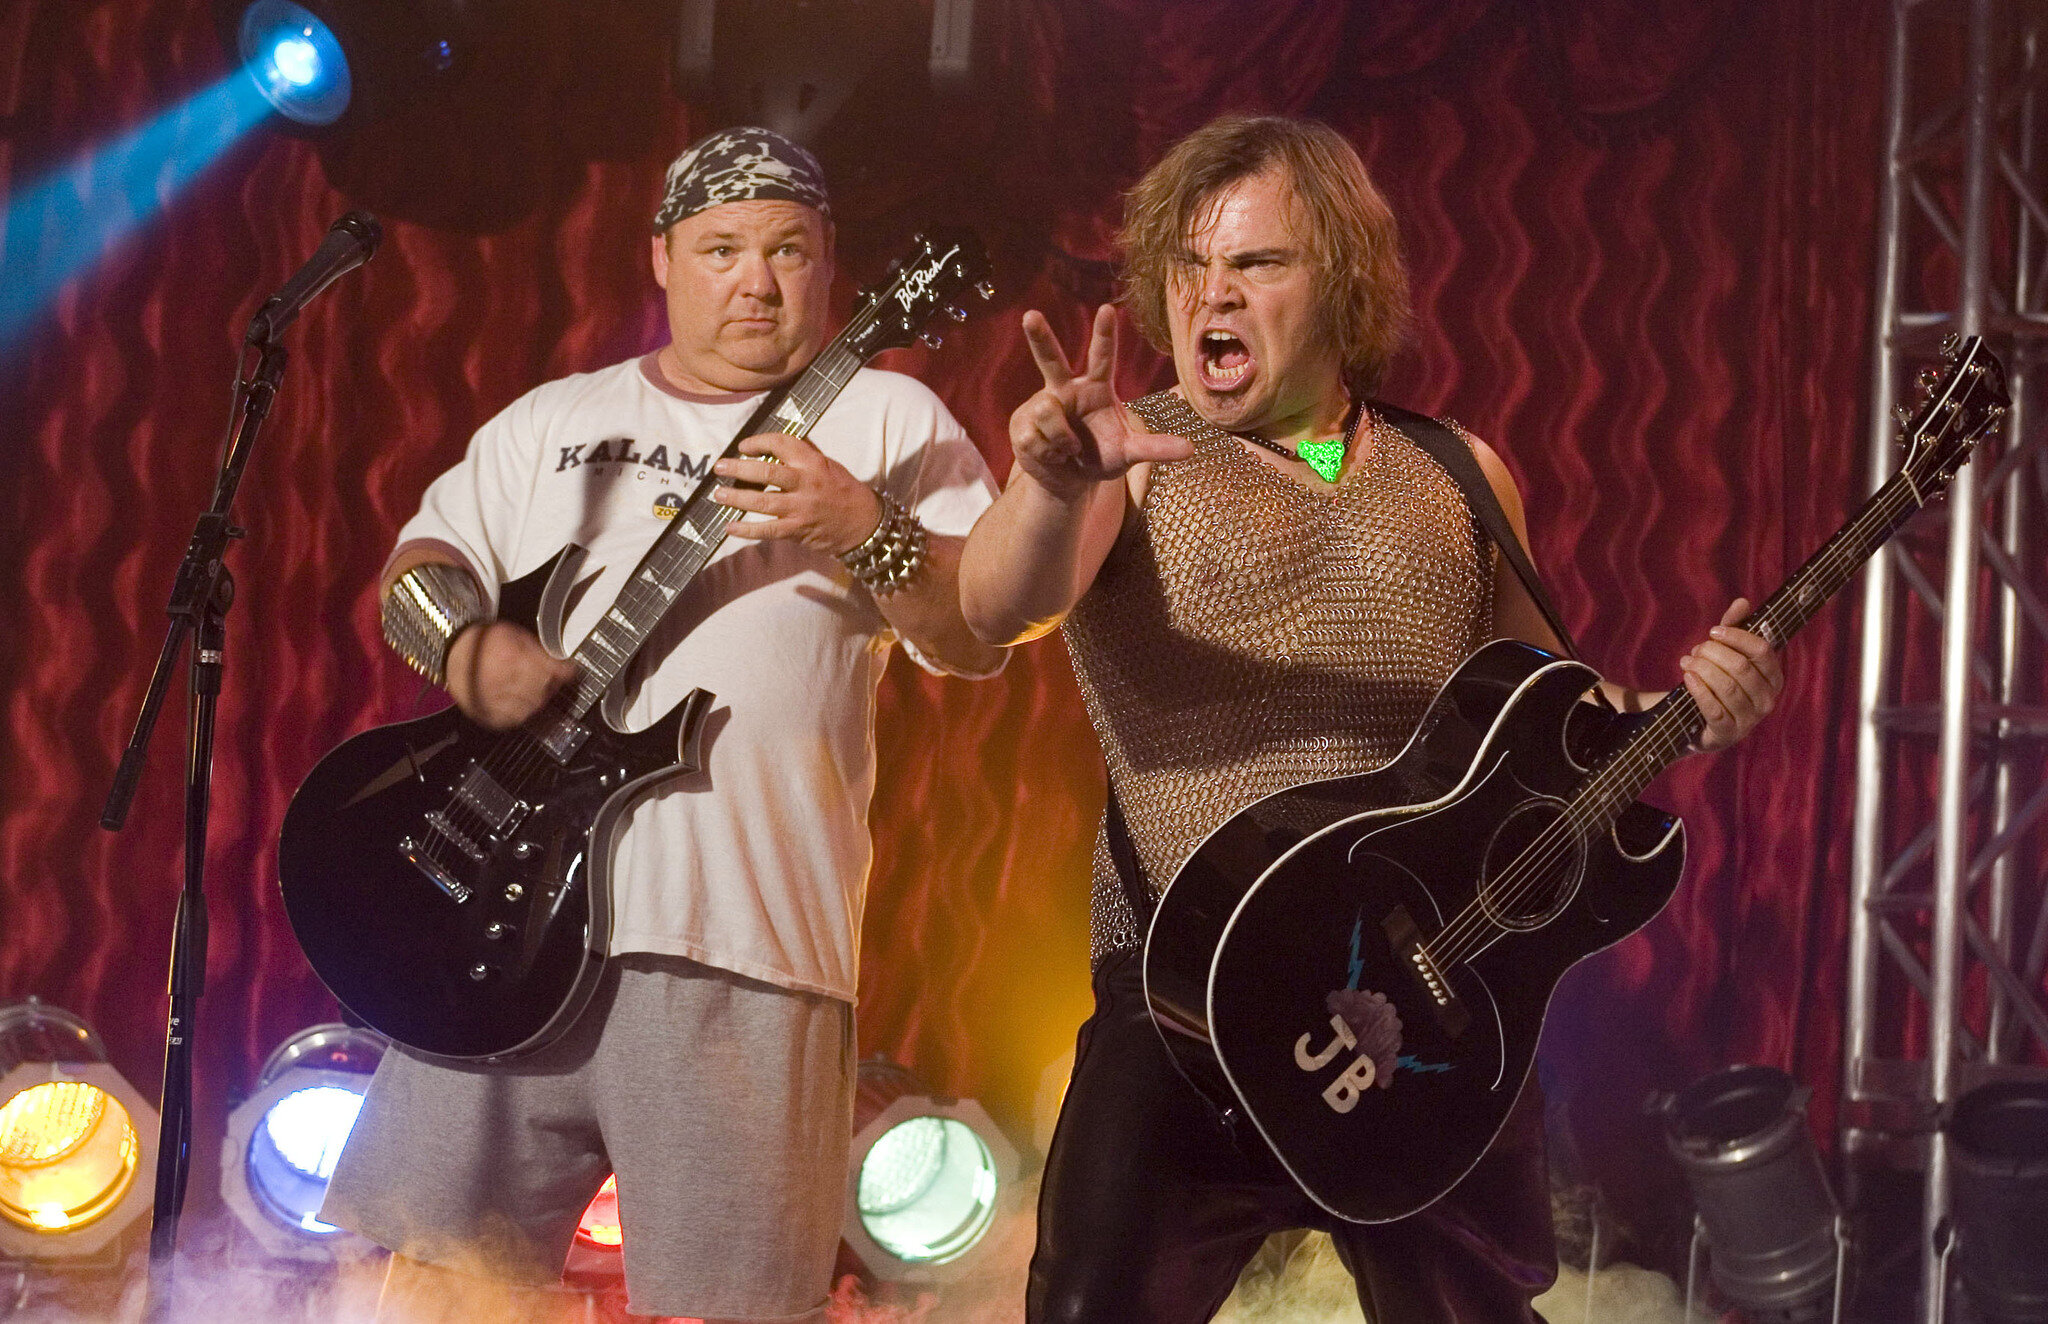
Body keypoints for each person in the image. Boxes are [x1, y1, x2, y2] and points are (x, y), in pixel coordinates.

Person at [958, 114, 1785, 1323]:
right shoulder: (1123, 453)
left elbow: (1555, 721)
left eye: (1254, 262)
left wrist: (1689, 710)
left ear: (1340, 282)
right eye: (1187, 263)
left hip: (1422, 991)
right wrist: (1046, 483)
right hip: (1190, 996)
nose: (1208, 293)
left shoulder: (1457, 473)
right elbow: (995, 607)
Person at [319, 126, 1006, 1324]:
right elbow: (418, 569)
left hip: (745, 936)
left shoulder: (891, 414)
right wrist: (467, 649)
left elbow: (973, 635)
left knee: (731, 1307)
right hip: (497, 914)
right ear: (661, 259)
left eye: (787, 249)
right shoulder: (555, 419)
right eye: (721, 248)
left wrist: (862, 525)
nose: (756, 281)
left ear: (830, 262)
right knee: (431, 1285)